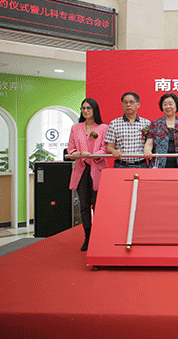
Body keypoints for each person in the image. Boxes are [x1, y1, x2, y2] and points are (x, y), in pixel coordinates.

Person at [67, 98, 108, 251]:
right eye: (83, 108)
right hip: (81, 169)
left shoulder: (103, 127)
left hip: (97, 169)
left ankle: (99, 237)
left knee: (98, 205)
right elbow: (70, 147)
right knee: (84, 206)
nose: (85, 111)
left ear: (94, 110)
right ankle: (87, 237)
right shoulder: (76, 128)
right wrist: (74, 152)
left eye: (88, 108)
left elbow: (105, 149)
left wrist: (93, 155)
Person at [143, 93, 178, 168]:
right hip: (159, 164)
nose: (168, 107)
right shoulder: (155, 123)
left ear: (176, 105)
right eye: (165, 104)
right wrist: (147, 151)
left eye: (170, 104)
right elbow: (149, 142)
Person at [105, 92, 151, 168]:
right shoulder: (114, 123)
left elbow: (150, 144)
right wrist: (114, 151)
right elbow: (109, 147)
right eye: (125, 102)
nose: (128, 105)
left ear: (138, 105)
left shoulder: (146, 123)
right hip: (121, 165)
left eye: (131, 102)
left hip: (140, 164)